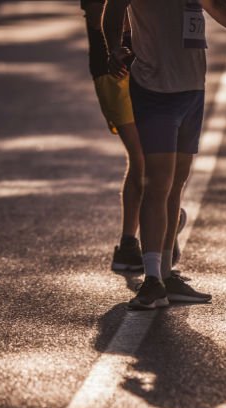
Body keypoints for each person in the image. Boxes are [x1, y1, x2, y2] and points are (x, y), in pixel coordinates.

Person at [103, 0, 226, 310]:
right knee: (158, 182)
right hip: (155, 88)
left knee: (177, 183)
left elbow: (218, 6)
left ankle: (165, 275)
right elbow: (113, 8)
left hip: (192, 88)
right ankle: (152, 280)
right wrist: (114, 48)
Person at [81, 0, 144, 272]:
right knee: (142, 157)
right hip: (113, 71)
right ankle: (143, 235)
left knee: (149, 156)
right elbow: (98, 17)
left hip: (144, 65)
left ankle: (134, 240)